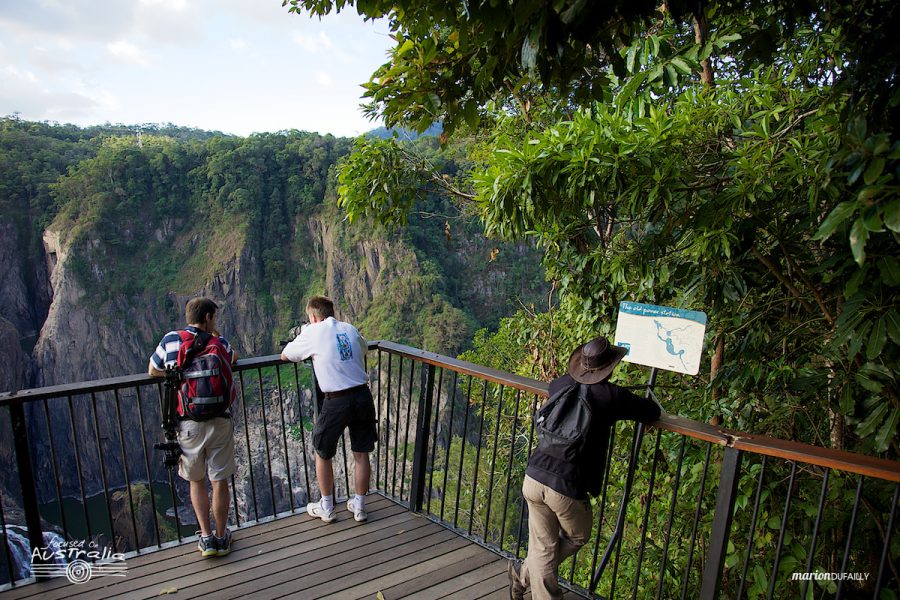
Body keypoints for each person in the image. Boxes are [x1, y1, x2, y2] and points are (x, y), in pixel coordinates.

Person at [508, 335, 662, 600]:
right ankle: (527, 576)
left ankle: (523, 576)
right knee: (578, 535)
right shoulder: (612, 396)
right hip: (565, 485)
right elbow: (651, 411)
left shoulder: (559, 385)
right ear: (609, 367)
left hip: (534, 476)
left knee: (544, 547)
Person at [148, 297, 239, 557]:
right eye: (215, 317)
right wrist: (216, 337)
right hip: (220, 420)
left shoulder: (171, 340)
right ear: (209, 317)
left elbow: (152, 369)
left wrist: (177, 374)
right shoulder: (218, 342)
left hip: (188, 423)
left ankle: (207, 539)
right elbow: (233, 358)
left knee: (196, 481)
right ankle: (222, 537)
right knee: (219, 480)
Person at [280, 295, 376, 524]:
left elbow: (286, 355)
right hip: (363, 395)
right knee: (361, 453)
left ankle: (326, 506)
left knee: (322, 451)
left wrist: (305, 335)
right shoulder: (349, 328)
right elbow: (363, 349)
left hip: (336, 400)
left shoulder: (312, 332)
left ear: (313, 316)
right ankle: (360, 507)